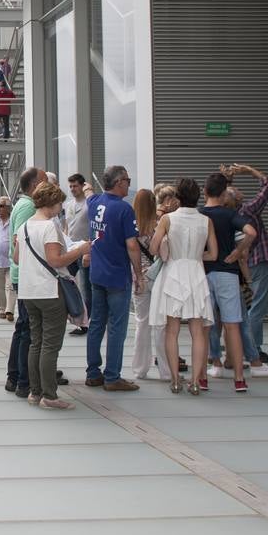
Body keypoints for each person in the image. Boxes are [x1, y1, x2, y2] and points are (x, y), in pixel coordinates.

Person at [15, 182, 91, 409]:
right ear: (53, 202)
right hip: (49, 290)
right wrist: (80, 250)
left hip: (29, 291)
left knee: (35, 343)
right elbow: (55, 261)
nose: (61, 207)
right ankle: (49, 395)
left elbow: (18, 258)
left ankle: (35, 392)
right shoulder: (50, 226)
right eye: (59, 202)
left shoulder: (25, 226)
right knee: (50, 345)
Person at [151, 177, 218, 394]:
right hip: (196, 272)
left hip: (174, 273)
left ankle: (176, 380)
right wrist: (196, 256)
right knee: (198, 332)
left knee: (172, 330)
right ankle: (196, 382)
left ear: (178, 197)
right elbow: (214, 254)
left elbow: (153, 248)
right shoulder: (205, 220)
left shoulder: (168, 219)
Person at [85, 165, 144, 391]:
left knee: (97, 323)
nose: (129, 184)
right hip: (117, 275)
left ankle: (93, 372)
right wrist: (138, 274)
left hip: (97, 274)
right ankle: (112, 376)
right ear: (119, 182)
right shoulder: (124, 209)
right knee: (117, 327)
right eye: (128, 180)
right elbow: (132, 245)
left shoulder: (94, 203)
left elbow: (89, 194)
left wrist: (89, 189)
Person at [222, 163, 268, 375]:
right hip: (259, 261)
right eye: (236, 191)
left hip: (240, 265)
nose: (239, 191)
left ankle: (237, 350)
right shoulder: (248, 210)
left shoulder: (227, 214)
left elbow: (226, 193)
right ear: (237, 199)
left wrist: (228, 178)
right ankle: (254, 349)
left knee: (241, 309)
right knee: (258, 307)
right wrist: (250, 170)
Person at [201, 172, 257, 393]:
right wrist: (237, 252)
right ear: (224, 193)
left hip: (203, 273)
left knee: (204, 326)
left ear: (204, 191)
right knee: (232, 324)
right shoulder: (230, 214)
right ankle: (239, 378)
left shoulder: (199, 214)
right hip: (228, 273)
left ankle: (201, 377)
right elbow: (251, 232)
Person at [6, 167, 43, 396]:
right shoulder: (28, 207)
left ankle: (15, 376)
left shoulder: (22, 205)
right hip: (26, 274)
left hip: (20, 273)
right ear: (35, 186)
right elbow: (20, 240)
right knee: (28, 329)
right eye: (45, 182)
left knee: (22, 328)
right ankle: (22, 378)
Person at [130, 188, 161, 381]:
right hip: (158, 276)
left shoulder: (131, 228)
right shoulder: (158, 226)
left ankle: (140, 369)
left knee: (141, 323)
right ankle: (166, 368)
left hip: (138, 277)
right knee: (161, 324)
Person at [64, 174, 91, 337]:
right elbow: (67, 226)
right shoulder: (68, 205)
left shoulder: (90, 204)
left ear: (82, 186)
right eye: (71, 186)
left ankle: (87, 322)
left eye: (76, 186)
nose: (73, 189)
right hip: (71, 248)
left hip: (85, 248)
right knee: (67, 282)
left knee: (86, 286)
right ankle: (76, 317)